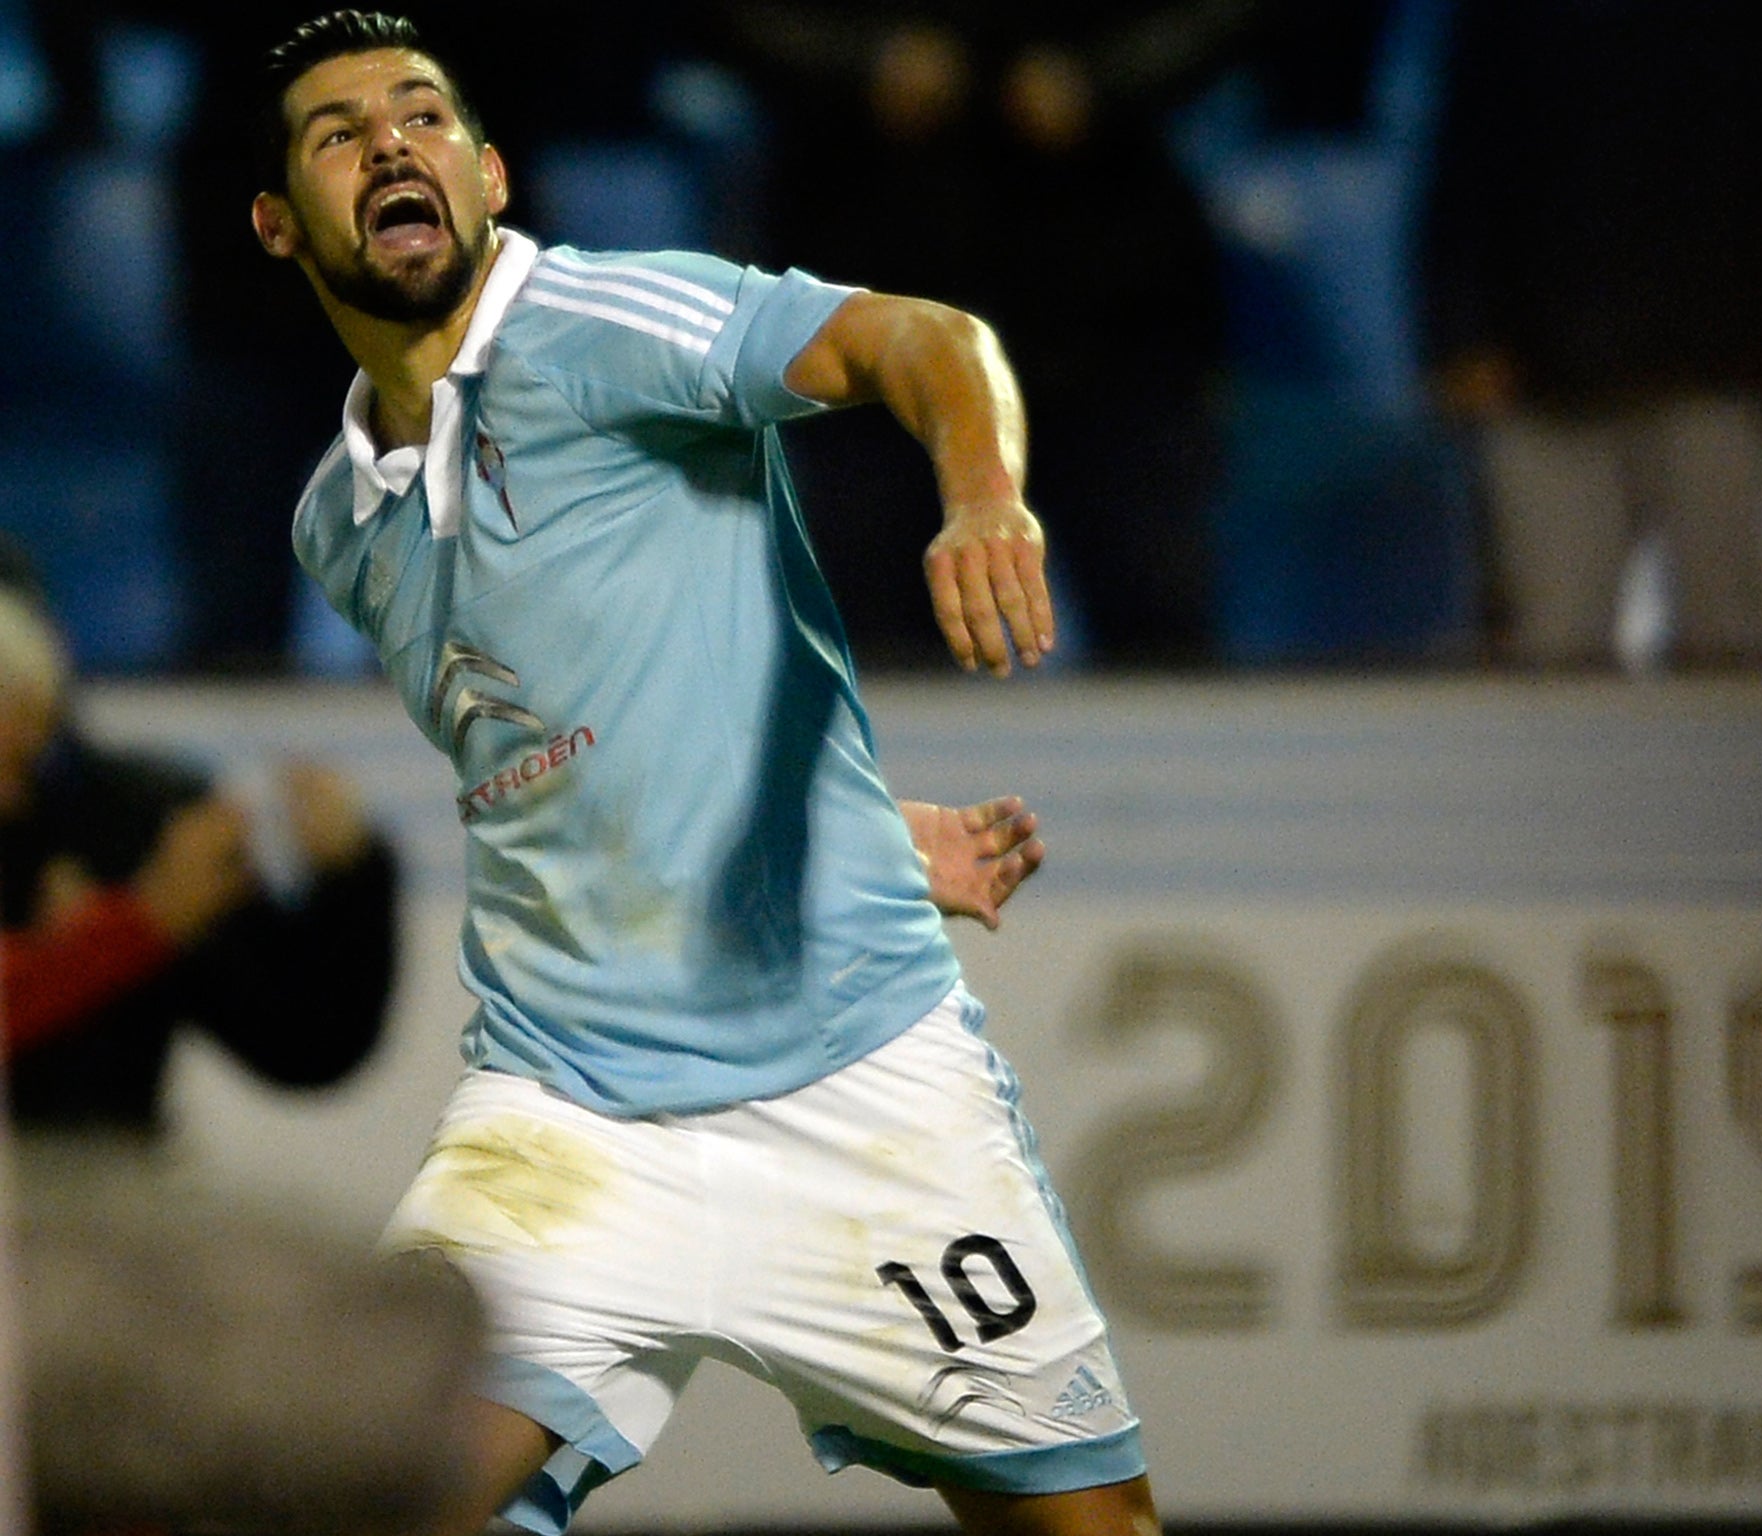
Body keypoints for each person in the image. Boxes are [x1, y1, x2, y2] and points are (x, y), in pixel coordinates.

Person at [248, 13, 1149, 1536]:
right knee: (368, 1490)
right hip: (568, 1121)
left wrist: (985, 499)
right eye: (338, 134)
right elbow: (565, 741)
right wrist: (853, 821)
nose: (389, 143)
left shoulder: (608, 324)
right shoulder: (338, 527)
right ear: (280, 222)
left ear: (488, 169)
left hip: (868, 1093)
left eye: (420, 115)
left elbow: (924, 337)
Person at [698, 1, 1262, 670]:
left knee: (1155, 611)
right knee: (872, 627)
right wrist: (867, 64)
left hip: (1109, 296)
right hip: (871, 281)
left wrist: (1100, 79)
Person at [1419, 0, 1762, 669]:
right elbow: (1465, 154)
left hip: (1725, 364)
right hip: (1547, 364)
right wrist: (1463, 337)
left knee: (1738, 650)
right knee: (1558, 647)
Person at [0, 558, 403, 1129]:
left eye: (33, 724)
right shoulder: (147, 841)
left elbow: (302, 1037)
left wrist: (351, 879)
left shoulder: (134, 817)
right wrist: (141, 920)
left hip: (98, 1180)